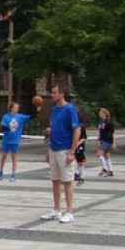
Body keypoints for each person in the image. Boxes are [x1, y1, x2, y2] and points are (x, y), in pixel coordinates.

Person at [41, 85, 80, 224]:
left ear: (62, 94)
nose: (52, 95)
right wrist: (49, 150)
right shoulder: (54, 109)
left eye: (54, 92)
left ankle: (69, 212)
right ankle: (56, 210)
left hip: (65, 149)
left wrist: (72, 152)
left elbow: (77, 130)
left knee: (67, 181)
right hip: (54, 149)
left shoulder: (69, 109)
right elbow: (53, 129)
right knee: (55, 180)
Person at [0, 101, 37, 181]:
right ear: (11, 108)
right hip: (6, 140)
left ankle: (13, 174)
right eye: (15, 107)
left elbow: (30, 117)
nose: (17, 108)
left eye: (17, 107)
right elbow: (3, 128)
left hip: (15, 140)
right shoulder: (6, 117)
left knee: (14, 156)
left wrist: (37, 110)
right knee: (4, 156)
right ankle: (1, 171)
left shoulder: (20, 117)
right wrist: (10, 127)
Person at [96, 107, 116, 177]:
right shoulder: (101, 122)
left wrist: (114, 143)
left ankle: (105, 169)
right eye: (99, 113)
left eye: (101, 113)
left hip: (107, 141)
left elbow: (113, 133)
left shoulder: (109, 122)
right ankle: (110, 171)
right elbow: (101, 132)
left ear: (105, 114)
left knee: (99, 154)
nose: (100, 114)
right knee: (106, 155)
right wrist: (98, 139)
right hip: (102, 140)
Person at [74, 116, 88, 185]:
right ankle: (75, 173)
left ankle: (81, 177)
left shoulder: (82, 127)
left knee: (80, 162)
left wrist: (77, 143)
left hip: (80, 147)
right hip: (73, 146)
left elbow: (83, 138)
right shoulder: (73, 126)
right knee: (73, 160)